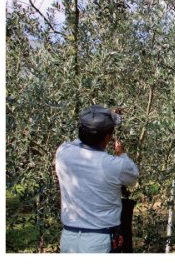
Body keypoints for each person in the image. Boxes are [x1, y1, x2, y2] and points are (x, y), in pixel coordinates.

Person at [55, 105, 139, 253]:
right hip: (99, 240)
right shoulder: (114, 165)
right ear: (108, 137)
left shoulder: (63, 152)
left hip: (69, 237)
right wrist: (122, 154)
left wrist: (97, 120)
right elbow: (133, 177)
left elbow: (78, 140)